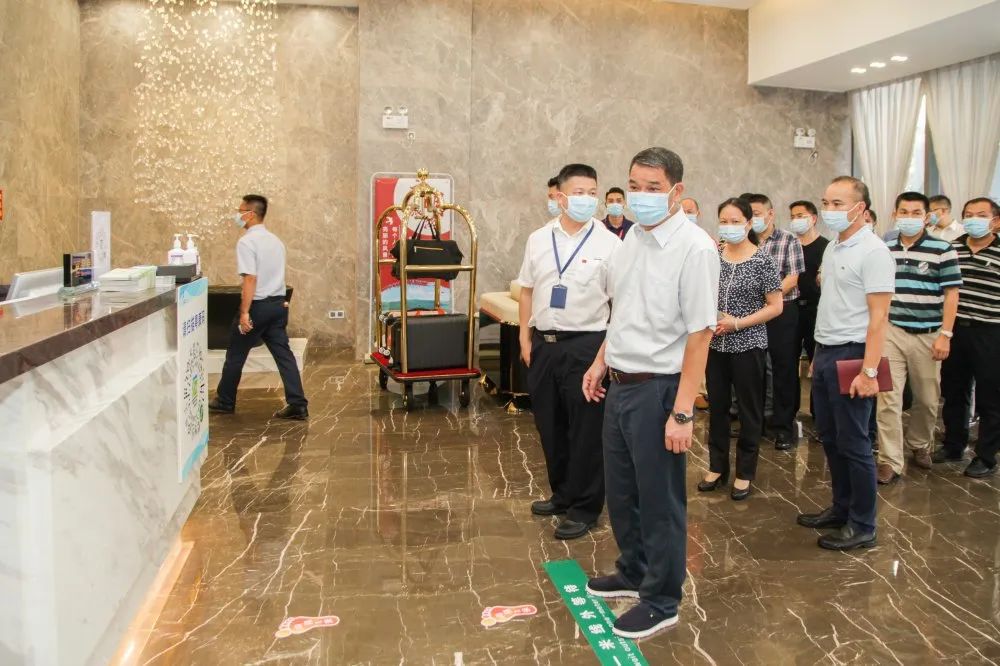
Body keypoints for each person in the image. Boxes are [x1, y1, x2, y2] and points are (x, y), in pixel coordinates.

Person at [582, 147, 719, 639]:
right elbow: (623, 310)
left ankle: (662, 598)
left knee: (660, 500)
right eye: (635, 186)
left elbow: (700, 334)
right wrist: (601, 360)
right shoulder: (632, 239)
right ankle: (633, 570)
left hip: (659, 390)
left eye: (653, 188)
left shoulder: (695, 248)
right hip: (620, 383)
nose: (641, 196)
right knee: (623, 491)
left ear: (676, 191)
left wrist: (683, 412)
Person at [517, 163, 620, 539]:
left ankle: (585, 507)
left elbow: (621, 303)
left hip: (586, 347)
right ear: (560, 197)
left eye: (592, 193)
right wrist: (525, 339)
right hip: (544, 346)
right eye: (579, 193)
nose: (587, 199)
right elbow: (527, 289)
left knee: (586, 431)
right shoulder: (538, 239)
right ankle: (562, 494)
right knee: (550, 425)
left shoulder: (610, 244)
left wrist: (603, 357)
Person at [796, 176, 894, 551]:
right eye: (826, 202)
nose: (829, 210)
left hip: (854, 353)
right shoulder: (835, 247)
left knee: (854, 443)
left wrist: (869, 372)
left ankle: (863, 524)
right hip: (827, 350)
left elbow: (879, 318)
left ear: (860, 208)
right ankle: (841, 508)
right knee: (831, 438)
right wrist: (818, 355)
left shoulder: (874, 252)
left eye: (838, 204)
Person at [699, 198, 783, 500]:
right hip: (715, 344)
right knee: (718, 407)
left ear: (749, 224)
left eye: (736, 221)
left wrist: (738, 323)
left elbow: (775, 306)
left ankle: (745, 472)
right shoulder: (714, 257)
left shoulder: (763, 261)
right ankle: (717, 466)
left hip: (749, 344)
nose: (729, 226)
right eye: (724, 221)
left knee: (749, 410)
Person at [875, 192, 961, 484]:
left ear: (926, 217)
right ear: (895, 215)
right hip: (891, 332)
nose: (908, 218)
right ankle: (889, 460)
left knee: (926, 399)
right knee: (888, 397)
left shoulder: (942, 248)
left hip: (928, 333)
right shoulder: (884, 247)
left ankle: (920, 443)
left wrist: (945, 335)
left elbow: (952, 294)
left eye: (915, 213)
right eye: (903, 212)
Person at [210, 194, 309, 420]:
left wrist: (245, 312)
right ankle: (298, 403)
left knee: (235, 354)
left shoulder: (247, 242)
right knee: (284, 355)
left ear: (251, 214)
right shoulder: (276, 241)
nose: (237, 215)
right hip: (278, 306)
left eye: (240, 211)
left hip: (258, 307)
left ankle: (225, 401)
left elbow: (250, 279)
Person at [935, 197, 1000, 478]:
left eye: (981, 215)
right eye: (969, 214)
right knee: (954, 390)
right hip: (955, 329)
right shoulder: (953, 248)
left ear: (995, 221)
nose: (974, 219)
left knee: (990, 395)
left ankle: (985, 456)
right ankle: (953, 445)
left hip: (991, 331)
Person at [747, 193, 805, 450]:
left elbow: (792, 278)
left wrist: (769, 298)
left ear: (770, 214)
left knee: (784, 369)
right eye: (749, 215)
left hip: (782, 311)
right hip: (751, 314)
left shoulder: (788, 240)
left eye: (757, 214)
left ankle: (783, 427)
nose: (753, 219)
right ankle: (754, 424)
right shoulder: (744, 240)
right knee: (753, 369)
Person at [789, 200, 829, 420]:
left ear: (813, 219)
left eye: (801, 216)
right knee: (788, 362)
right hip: (792, 308)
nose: (796, 220)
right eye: (793, 216)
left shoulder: (826, 247)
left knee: (818, 362)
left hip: (816, 310)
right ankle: (790, 410)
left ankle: (818, 412)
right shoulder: (790, 245)